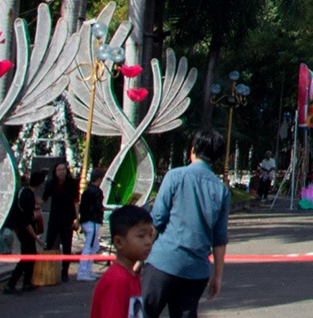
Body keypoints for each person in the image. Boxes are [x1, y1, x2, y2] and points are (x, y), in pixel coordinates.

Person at [143, 129, 230, 318]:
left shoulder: (175, 176)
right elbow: (219, 239)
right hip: (196, 270)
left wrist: (138, 256)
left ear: (192, 151)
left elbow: (156, 219)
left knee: (144, 313)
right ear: (216, 158)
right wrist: (218, 275)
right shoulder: (221, 191)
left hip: (164, 262)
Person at [90, 204, 155, 318]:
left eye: (150, 235)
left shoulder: (131, 275)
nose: (148, 241)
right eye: (141, 236)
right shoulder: (117, 280)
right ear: (119, 242)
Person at [5, 168, 44, 293]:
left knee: (31, 255)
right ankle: (11, 285)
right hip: (23, 229)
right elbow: (27, 222)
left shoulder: (23, 191)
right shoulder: (28, 197)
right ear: (39, 184)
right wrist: (37, 239)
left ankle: (27, 282)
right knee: (27, 256)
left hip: (18, 226)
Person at [45, 159, 82, 276]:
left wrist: (77, 219)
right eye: (59, 170)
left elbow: (76, 201)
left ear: (67, 170)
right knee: (49, 244)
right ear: (55, 172)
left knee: (67, 246)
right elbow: (43, 199)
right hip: (54, 218)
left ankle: (64, 271)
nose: (61, 172)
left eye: (63, 169)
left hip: (67, 219)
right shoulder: (50, 184)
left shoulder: (73, 183)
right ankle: (47, 270)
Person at [78, 179, 108, 283]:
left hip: (86, 220)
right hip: (93, 221)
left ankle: (87, 270)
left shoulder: (86, 190)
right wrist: (112, 209)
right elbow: (99, 207)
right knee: (89, 246)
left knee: (94, 246)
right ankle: (82, 272)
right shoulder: (97, 191)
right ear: (99, 179)